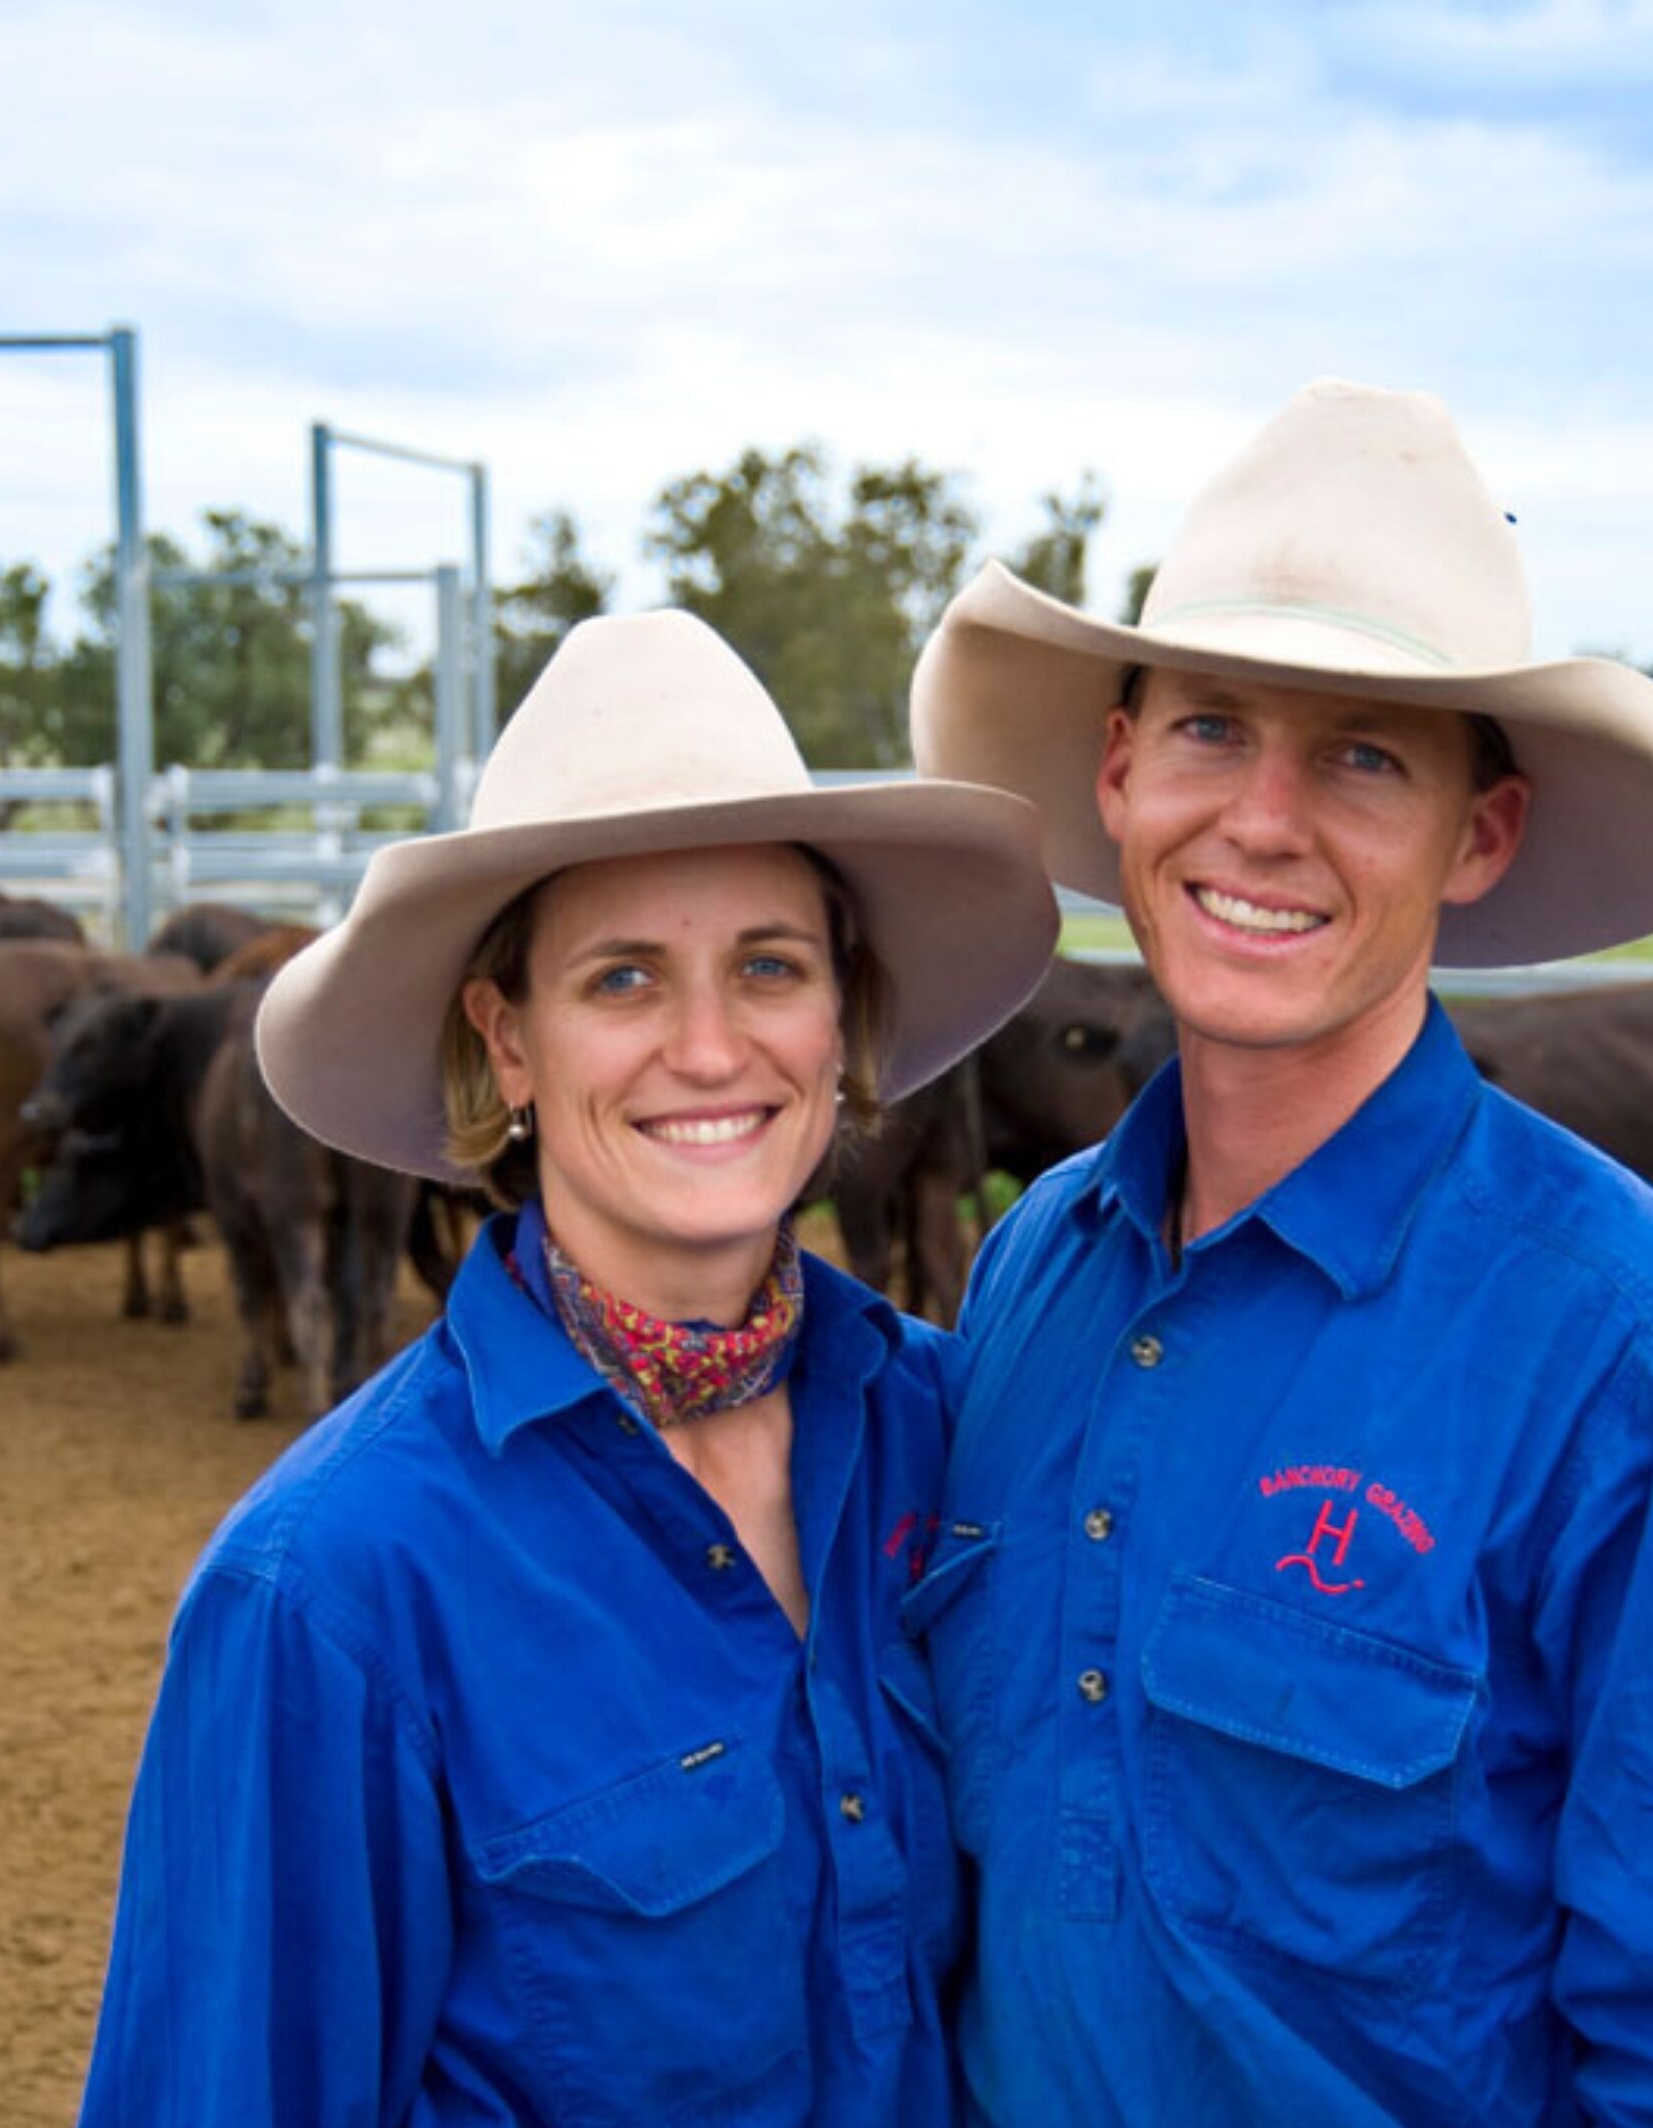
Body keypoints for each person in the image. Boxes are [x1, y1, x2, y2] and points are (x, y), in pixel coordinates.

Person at [904, 381, 1653, 2126]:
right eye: (1211, 729)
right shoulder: (1034, 1273)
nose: (1265, 821)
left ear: (1482, 833)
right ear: (1119, 769)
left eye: (1363, 755)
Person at [72, 608, 1060, 2126]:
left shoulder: (952, 1428)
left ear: (841, 1014)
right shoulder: (330, 1589)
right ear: (507, 1041)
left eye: (769, 966)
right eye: (620, 980)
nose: (713, 1048)